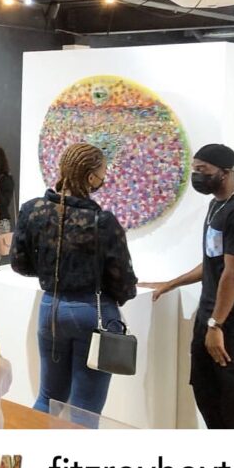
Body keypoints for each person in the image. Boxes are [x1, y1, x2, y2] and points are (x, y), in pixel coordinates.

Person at [11, 143, 138, 416]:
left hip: (51, 308)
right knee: (85, 408)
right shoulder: (102, 221)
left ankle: (32, 443)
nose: (104, 178)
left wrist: (52, 273)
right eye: (103, 173)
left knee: (47, 397)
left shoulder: (32, 210)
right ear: (91, 177)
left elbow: (20, 264)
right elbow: (124, 283)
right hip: (94, 313)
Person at [146, 144, 234, 429]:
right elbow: (213, 262)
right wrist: (171, 283)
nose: (197, 176)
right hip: (210, 319)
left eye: (203, 170)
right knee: (208, 398)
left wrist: (216, 325)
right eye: (195, 169)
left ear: (226, 172)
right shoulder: (217, 206)